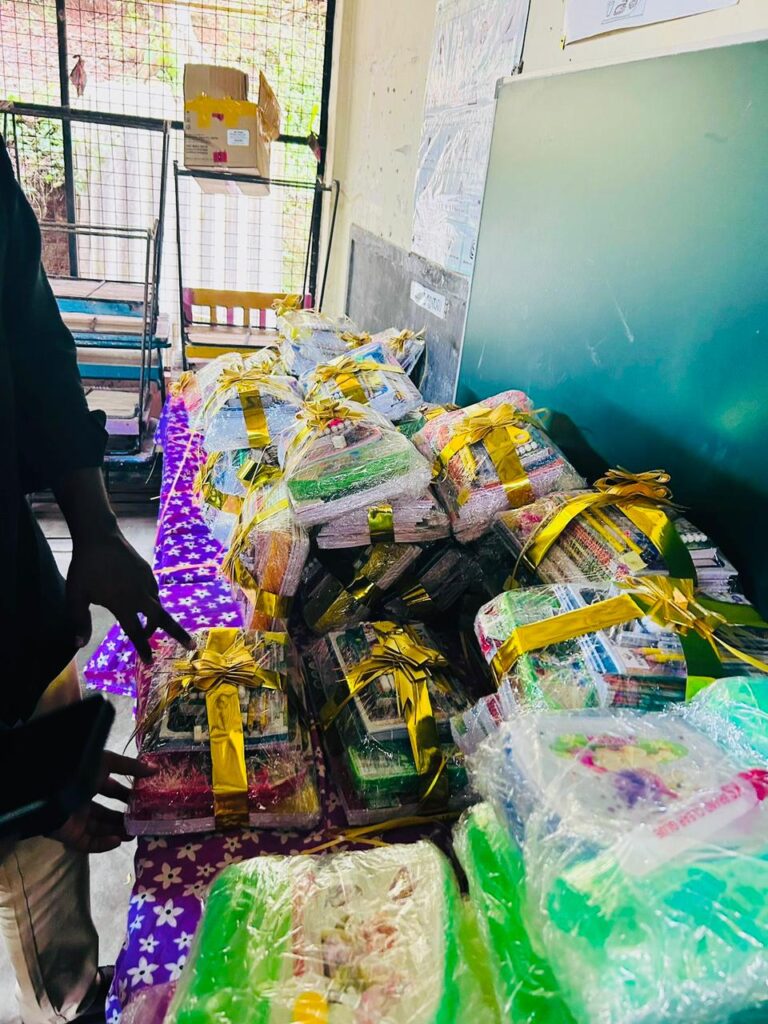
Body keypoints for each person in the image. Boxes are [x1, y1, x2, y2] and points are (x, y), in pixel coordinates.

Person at [0, 135, 191, 1023]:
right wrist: (12, 797)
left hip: (11, 604)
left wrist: (96, 528)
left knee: (50, 864)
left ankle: (76, 992)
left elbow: (34, 343)